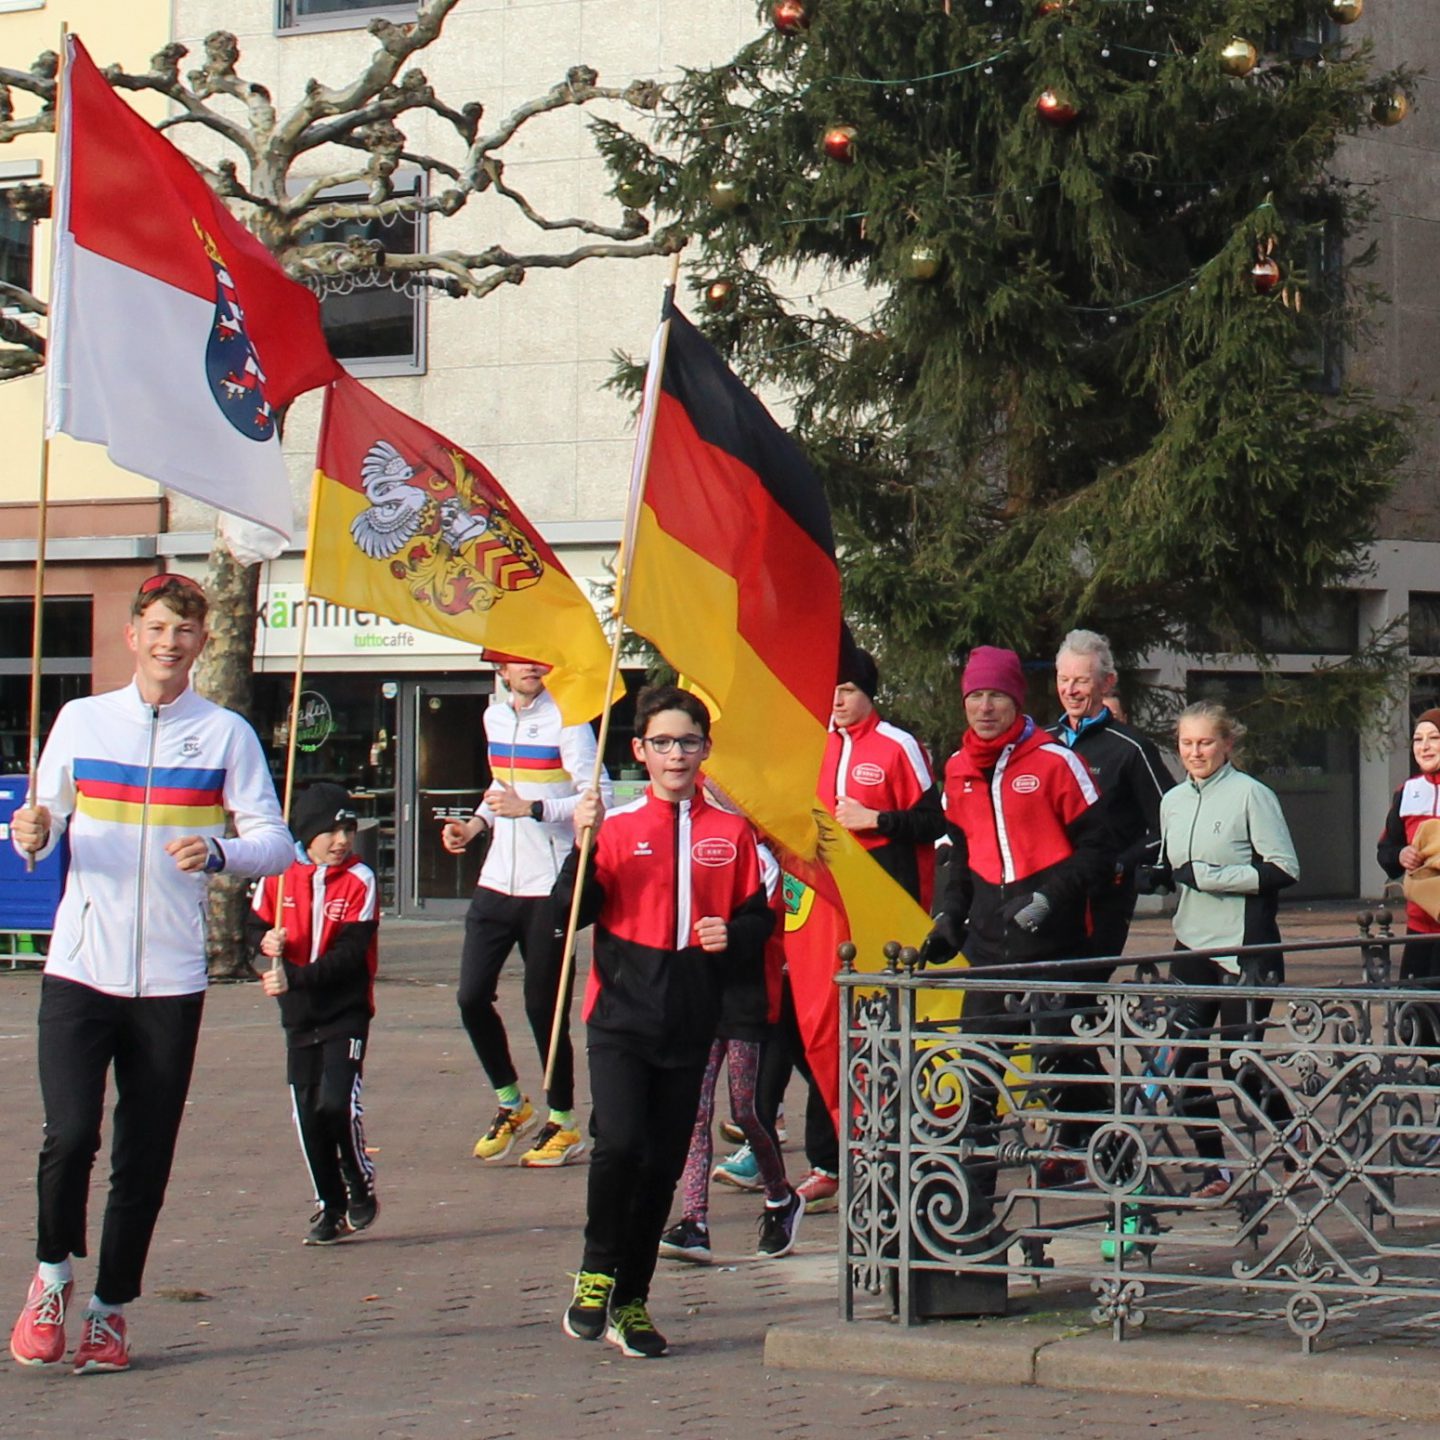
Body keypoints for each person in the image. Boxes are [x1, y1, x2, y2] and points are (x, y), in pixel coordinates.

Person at [8, 573, 291, 1374]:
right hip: (79, 967)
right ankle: (53, 1276)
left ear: (204, 642)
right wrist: (31, 831)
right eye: (158, 627)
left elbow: (274, 840)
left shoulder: (227, 733)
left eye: (186, 631)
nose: (170, 643)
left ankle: (111, 1309)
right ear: (133, 633)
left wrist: (222, 851)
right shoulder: (81, 720)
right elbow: (42, 824)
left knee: (145, 1151)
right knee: (70, 1136)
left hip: (171, 977)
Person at [556, 686, 774, 1358]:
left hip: (690, 1017)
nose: (675, 754)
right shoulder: (616, 827)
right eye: (662, 743)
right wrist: (582, 844)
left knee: (662, 1164)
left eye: (687, 742)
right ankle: (597, 1269)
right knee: (618, 1145)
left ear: (705, 750)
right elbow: (570, 912)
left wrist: (730, 935)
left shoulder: (730, 831)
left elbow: (760, 918)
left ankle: (633, 1300)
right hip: (621, 1012)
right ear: (638, 752)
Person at [733, 645, 945, 1214]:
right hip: (816, 915)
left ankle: (894, 1149)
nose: (837, 703)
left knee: (875, 1034)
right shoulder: (809, 748)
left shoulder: (898, 746)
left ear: (867, 692)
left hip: (883, 915)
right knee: (819, 1032)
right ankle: (831, 1160)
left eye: (847, 691)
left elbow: (935, 822)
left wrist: (877, 820)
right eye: (829, 693)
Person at [922, 645, 1110, 1188]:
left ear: (1016, 700)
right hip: (988, 941)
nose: (985, 707)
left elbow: (1099, 850)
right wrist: (945, 917)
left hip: (1053, 940)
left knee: (1064, 1057)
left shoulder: (1056, 760)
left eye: (997, 697)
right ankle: (970, 1187)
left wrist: (1049, 897)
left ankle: (1108, 1170)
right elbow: (956, 851)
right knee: (979, 1061)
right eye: (975, 696)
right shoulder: (956, 768)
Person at [440, 657, 611, 1168]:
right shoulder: (494, 716)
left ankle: (563, 1120)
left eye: (539, 658)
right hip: (496, 881)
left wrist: (536, 810)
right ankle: (512, 1104)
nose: (531, 667)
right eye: (519, 660)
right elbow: (500, 792)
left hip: (547, 887)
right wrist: (473, 826)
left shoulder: (570, 719)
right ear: (501, 669)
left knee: (545, 1007)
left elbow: (592, 799)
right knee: (471, 998)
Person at [1147, 702, 1299, 1200]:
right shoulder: (1172, 800)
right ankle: (1215, 1169)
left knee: (1239, 1064)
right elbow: (1173, 864)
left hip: (1245, 947)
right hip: (1192, 941)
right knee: (1184, 1064)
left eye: (1205, 742)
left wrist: (1216, 879)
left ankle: (1296, 1144)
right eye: (1187, 744)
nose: (1195, 752)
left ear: (1227, 744)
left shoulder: (1252, 795)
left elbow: (1285, 870)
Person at [661, 807, 802, 1265]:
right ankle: (694, 1221)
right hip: (698, 996)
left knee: (746, 1110)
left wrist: (729, 931)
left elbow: (766, 923)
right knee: (694, 1112)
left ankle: (781, 1198)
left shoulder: (760, 855)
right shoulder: (687, 841)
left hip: (748, 998)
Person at [250, 783, 381, 1246]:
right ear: (307, 834)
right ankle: (330, 1204)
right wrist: (264, 947)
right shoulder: (278, 876)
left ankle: (357, 1178)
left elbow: (351, 952)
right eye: (330, 830)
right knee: (306, 1111)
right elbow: (255, 933)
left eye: (347, 828)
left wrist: (298, 977)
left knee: (335, 1101)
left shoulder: (360, 878)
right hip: (298, 1016)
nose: (341, 839)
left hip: (345, 1012)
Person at [1047, 629, 1175, 964]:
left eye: (1081, 680)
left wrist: (1123, 863)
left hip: (1103, 900)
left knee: (1082, 992)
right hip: (1047, 894)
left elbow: (1173, 824)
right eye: (1064, 679)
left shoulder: (1132, 748)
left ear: (1107, 683)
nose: (1070, 690)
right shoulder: (1041, 743)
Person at [1376, 708, 1440, 992]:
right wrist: (1401, 855)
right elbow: (1386, 850)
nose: (1424, 747)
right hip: (1419, 927)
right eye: (1417, 739)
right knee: (1414, 1020)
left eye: (1434, 738)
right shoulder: (1407, 791)